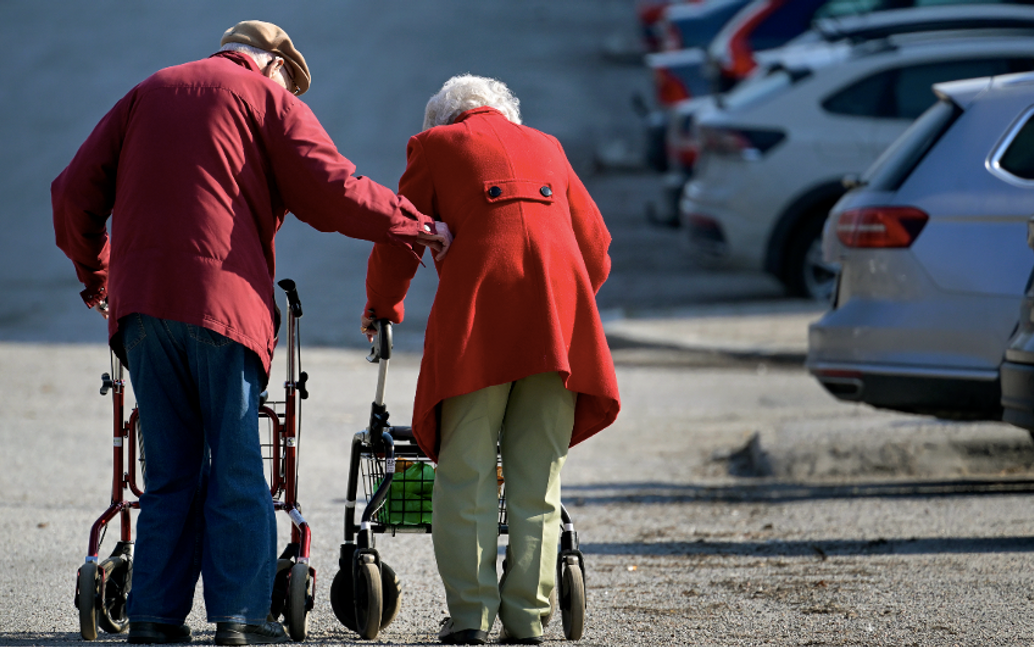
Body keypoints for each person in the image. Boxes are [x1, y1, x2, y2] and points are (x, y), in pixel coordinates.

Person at [52, 20, 450, 646]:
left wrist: (97, 273)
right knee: (239, 462)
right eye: (291, 86)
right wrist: (412, 222)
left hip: (141, 312)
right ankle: (240, 617)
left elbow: (72, 192)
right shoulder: (266, 99)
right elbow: (332, 188)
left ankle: (154, 618)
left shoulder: (148, 90)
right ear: (271, 68)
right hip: (223, 306)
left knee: (169, 470)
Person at [362, 74, 620, 645]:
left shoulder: (433, 147)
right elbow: (596, 248)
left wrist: (382, 308)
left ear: (445, 119)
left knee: (467, 473)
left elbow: (401, 235)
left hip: (478, 331)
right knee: (538, 480)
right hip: (557, 334)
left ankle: (471, 620)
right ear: (505, 113)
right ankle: (527, 622)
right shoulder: (548, 147)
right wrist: (563, 306)